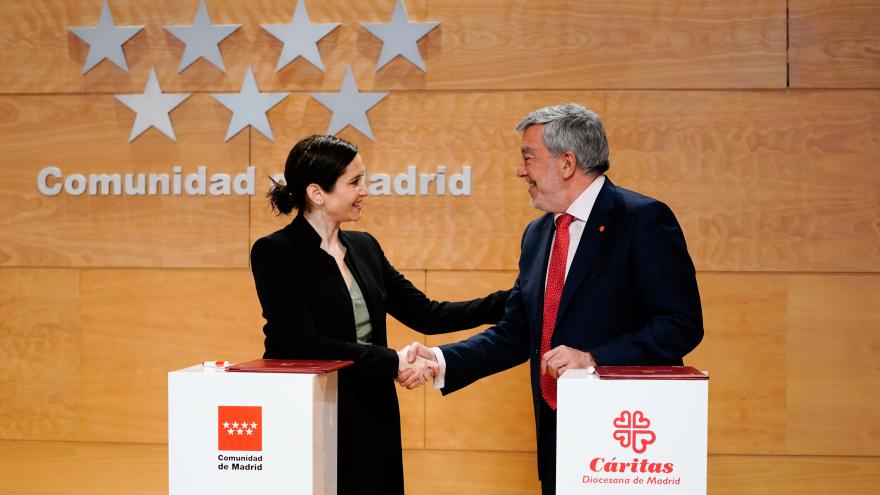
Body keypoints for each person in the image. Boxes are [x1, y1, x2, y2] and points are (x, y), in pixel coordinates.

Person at [404, 103, 703, 495]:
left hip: (630, 442)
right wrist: (442, 359)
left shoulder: (642, 219)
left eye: (528, 156)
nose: (519, 170)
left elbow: (680, 326)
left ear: (566, 163)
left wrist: (593, 358)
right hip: (560, 435)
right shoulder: (537, 234)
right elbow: (517, 331)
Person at [250, 135, 509, 495]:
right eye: (354, 183)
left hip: (371, 404)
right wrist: (392, 362)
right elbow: (301, 341)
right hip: (310, 407)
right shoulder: (275, 252)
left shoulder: (365, 246)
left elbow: (427, 314)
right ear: (317, 193)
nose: (365, 190)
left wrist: (513, 301)